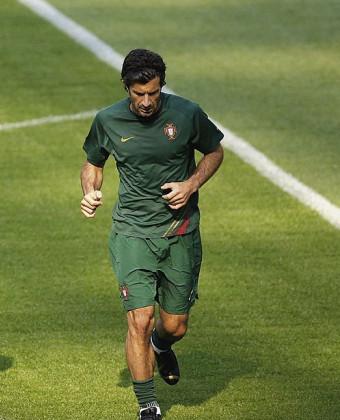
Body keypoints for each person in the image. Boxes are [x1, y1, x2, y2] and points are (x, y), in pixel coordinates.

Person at [80, 49, 224, 420]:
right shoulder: (107, 120)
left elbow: (214, 151)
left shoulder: (187, 114)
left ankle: (162, 347)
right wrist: (90, 191)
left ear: (162, 85)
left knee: (174, 325)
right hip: (132, 234)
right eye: (138, 93)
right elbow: (93, 163)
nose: (146, 102)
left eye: (153, 93)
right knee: (139, 319)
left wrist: (192, 184)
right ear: (126, 87)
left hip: (180, 233)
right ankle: (148, 406)